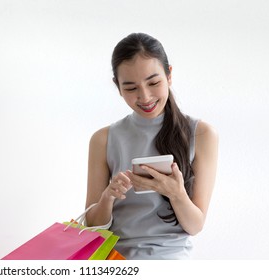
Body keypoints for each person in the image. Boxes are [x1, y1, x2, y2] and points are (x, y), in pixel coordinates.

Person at [84, 33, 218, 259]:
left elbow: (195, 226)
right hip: (114, 260)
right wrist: (108, 196)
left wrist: (176, 194)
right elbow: (92, 226)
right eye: (130, 88)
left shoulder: (202, 134)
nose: (145, 97)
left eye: (154, 82)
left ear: (169, 75)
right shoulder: (103, 139)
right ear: (118, 87)